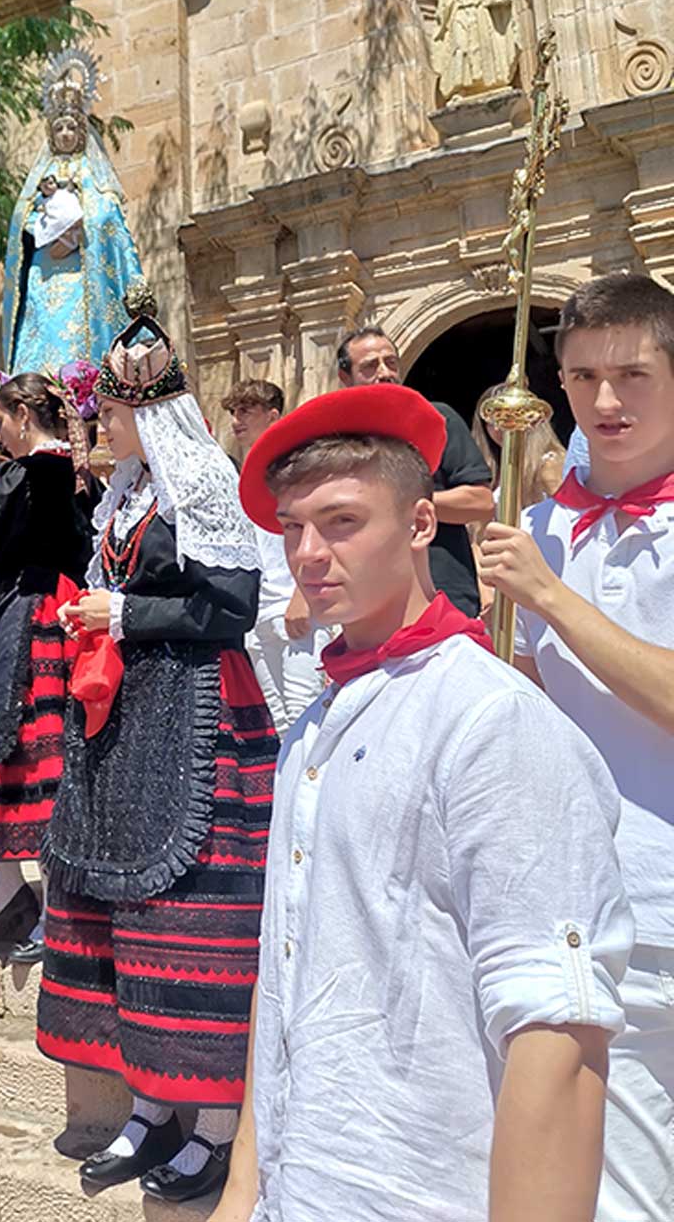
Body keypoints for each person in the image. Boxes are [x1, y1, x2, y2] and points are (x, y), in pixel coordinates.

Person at [208, 385, 633, 1222]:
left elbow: (557, 1031)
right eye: (293, 526)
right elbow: (282, 967)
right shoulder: (311, 730)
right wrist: (242, 1191)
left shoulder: (490, 721)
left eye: (341, 521)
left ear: (420, 524)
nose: (308, 552)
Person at [39, 315, 279, 1206]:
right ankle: (149, 1107)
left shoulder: (203, 480)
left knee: (192, 913)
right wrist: (98, 614)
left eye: (110, 412)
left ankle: (213, 1123)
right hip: (127, 713)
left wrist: (125, 615)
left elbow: (233, 606)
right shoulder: (129, 490)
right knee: (126, 910)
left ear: (150, 413)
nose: (100, 424)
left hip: (198, 716)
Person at [481, 271, 674, 1222]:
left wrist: (552, 599)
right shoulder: (541, 525)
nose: (605, 399)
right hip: (578, 899)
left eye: (633, 374)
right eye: (585, 375)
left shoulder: (547, 560)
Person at [0, 373, 92, 955]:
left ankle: (42, 909)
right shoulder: (84, 477)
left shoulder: (19, 475)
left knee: (21, 749)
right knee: (50, 751)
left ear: (24, 415)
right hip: (69, 612)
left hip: (23, 614)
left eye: (1, 420)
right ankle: (18, 900)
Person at [3, 47, 144, 374]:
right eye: (59, 128)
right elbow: (22, 222)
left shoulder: (93, 174)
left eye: (71, 127)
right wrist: (42, 227)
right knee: (42, 336)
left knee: (76, 341)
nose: (65, 134)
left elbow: (107, 216)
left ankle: (81, 383)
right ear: (51, 134)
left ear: (81, 132)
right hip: (45, 270)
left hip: (81, 274)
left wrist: (78, 230)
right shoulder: (40, 177)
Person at [337, 325, 493, 616]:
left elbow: (481, 503)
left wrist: (401, 503)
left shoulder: (438, 419)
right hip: (368, 600)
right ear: (345, 377)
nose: (385, 372)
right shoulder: (339, 441)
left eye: (391, 362)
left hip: (444, 594)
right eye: (370, 366)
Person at [224, 378, 330, 733]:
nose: (236, 420)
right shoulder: (241, 475)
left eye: (245, 411)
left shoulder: (296, 471)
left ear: (272, 416)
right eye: (233, 412)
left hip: (295, 604)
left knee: (306, 714)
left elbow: (316, 532)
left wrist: (303, 595)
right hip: (259, 614)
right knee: (280, 724)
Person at [470, 381, 565, 514]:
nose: (498, 428)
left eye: (508, 418)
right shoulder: (488, 470)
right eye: (491, 422)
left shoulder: (549, 463)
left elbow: (570, 514)